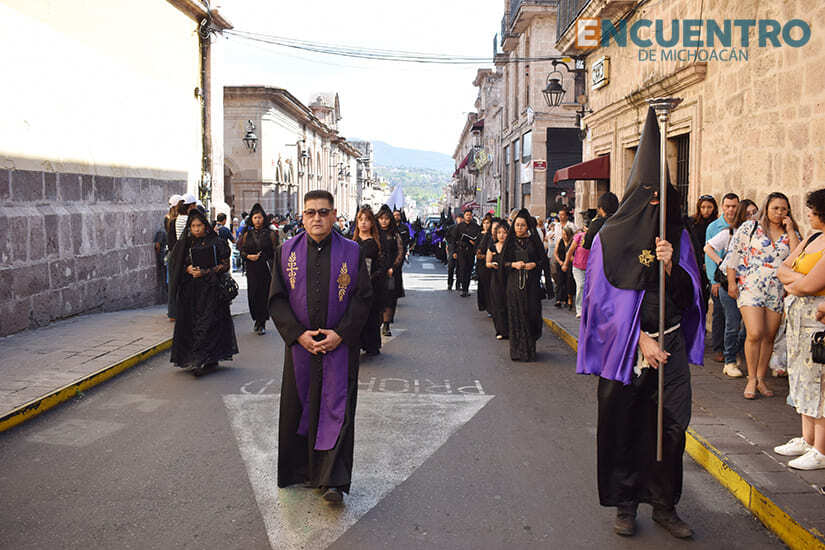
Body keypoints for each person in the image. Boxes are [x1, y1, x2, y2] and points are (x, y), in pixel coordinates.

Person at [577, 108, 704, 539]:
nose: (654, 204)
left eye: (660, 196)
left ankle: (665, 505)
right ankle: (626, 504)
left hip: (671, 347)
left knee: (671, 428)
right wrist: (639, 341)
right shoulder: (608, 240)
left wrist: (672, 269)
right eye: (647, 195)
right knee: (625, 427)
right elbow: (600, 307)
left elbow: (691, 298)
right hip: (628, 351)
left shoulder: (679, 236)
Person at [268, 190, 372, 504]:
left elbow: (363, 298)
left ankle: (333, 480)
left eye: (323, 212)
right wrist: (298, 335)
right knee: (299, 408)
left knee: (336, 410)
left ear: (334, 215)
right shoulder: (286, 251)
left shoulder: (351, 252)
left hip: (339, 348)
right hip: (301, 349)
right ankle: (301, 471)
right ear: (302, 216)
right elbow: (277, 299)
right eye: (311, 212)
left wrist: (340, 334)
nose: (317, 218)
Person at [725, 192, 800, 399]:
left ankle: (760, 378)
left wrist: (791, 230)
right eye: (775, 208)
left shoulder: (790, 233)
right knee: (755, 332)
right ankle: (751, 379)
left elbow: (797, 258)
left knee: (769, 336)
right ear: (766, 208)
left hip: (777, 288)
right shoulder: (750, 227)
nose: (779, 212)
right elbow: (734, 255)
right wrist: (731, 282)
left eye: (783, 209)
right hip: (751, 285)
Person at [775, 188, 825, 470]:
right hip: (797, 319)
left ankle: (821, 448)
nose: (808, 215)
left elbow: (809, 285)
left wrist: (796, 283)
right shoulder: (813, 237)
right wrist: (799, 282)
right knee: (801, 377)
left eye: (813, 211)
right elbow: (782, 268)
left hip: (816, 321)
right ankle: (807, 438)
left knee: (819, 381)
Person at [168, 208, 238, 376]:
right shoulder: (186, 244)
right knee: (192, 325)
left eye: (199, 225)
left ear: (205, 226)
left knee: (208, 324)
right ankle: (194, 357)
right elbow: (177, 264)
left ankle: (201, 359)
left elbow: (225, 265)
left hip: (211, 291)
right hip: (190, 293)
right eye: (193, 226)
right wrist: (187, 269)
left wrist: (206, 272)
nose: (196, 229)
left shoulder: (217, 242)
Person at [704, 199, 758, 378]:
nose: (752, 217)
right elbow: (708, 248)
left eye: (755, 213)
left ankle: (736, 352)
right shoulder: (730, 232)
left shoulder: (760, 234)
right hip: (730, 284)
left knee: (749, 327)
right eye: (748, 213)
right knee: (732, 324)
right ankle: (730, 361)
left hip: (750, 286)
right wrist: (720, 263)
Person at [502, 209, 544, 361]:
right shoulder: (510, 242)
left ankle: (530, 349)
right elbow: (502, 263)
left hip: (531, 284)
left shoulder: (534, 242)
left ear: (528, 226)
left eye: (522, 225)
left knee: (531, 314)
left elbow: (542, 261)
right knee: (516, 315)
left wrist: (534, 264)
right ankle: (517, 351)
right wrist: (513, 264)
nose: (519, 228)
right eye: (517, 225)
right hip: (514, 285)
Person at [706, 193, 740, 363]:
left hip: (736, 278)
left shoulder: (741, 226)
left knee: (733, 318)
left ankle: (733, 349)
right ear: (722, 207)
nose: (731, 209)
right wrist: (714, 281)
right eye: (727, 206)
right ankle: (718, 348)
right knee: (719, 314)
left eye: (734, 206)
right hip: (720, 279)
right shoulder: (714, 227)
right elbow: (709, 253)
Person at [237, 203, 280, 335]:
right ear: (251, 219)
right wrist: (248, 256)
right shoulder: (246, 235)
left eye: (260, 217)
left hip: (265, 268)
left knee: (264, 295)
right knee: (253, 295)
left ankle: (262, 322)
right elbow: (241, 251)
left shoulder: (271, 234)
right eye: (255, 218)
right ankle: (256, 318)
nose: (257, 220)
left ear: (264, 219)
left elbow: (277, 252)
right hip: (251, 269)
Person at [353, 206, 385, 356]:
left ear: (372, 222)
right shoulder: (351, 241)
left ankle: (371, 345)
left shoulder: (376, 242)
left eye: (367, 220)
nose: (363, 223)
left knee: (370, 316)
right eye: (361, 219)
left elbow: (381, 265)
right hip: (353, 285)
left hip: (372, 284)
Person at [686, 195, 719, 309]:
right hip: (696, 264)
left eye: (709, 207)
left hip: (713, 263)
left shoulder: (717, 224)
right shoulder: (692, 223)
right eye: (703, 207)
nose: (706, 210)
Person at [376, 205, 404, 336]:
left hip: (392, 271)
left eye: (386, 219)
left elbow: (400, 252)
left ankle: (386, 325)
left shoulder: (395, 234)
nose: (384, 221)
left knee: (390, 299)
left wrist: (394, 267)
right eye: (381, 218)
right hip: (377, 271)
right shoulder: (374, 233)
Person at [486, 219, 510, 340]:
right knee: (497, 304)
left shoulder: (510, 248)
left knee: (508, 304)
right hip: (496, 279)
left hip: (508, 279)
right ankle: (500, 330)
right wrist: (491, 264)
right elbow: (487, 263)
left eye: (504, 233)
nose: (502, 235)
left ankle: (508, 330)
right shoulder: (492, 247)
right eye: (499, 232)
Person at [563, 225, 589, 318]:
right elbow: (570, 251)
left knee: (588, 288)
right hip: (578, 267)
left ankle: (588, 309)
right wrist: (565, 264)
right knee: (581, 285)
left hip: (590, 268)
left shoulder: (596, 237)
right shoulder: (579, 236)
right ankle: (579, 309)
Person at [455, 209, 481, 297]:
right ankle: (463, 288)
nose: (468, 216)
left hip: (471, 251)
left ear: (472, 216)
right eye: (467, 215)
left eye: (470, 215)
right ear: (464, 216)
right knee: (462, 269)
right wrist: (454, 251)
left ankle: (466, 289)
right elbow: (455, 239)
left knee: (469, 270)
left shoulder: (476, 227)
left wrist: (474, 243)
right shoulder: (459, 226)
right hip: (461, 250)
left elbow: (478, 239)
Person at [475, 214, 494, 312]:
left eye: (488, 223)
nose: (486, 225)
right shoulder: (480, 235)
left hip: (489, 263)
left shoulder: (492, 236)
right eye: (484, 223)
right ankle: (482, 304)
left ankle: (489, 306)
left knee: (488, 285)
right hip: (480, 264)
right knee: (481, 284)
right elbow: (476, 248)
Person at [555, 226, 576, 310]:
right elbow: (555, 253)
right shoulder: (559, 241)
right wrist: (560, 262)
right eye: (563, 234)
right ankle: (558, 299)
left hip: (570, 264)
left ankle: (567, 299)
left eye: (566, 234)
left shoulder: (573, 242)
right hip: (561, 263)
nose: (564, 236)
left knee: (569, 281)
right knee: (560, 281)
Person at [445, 216, 460, 290]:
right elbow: (447, 237)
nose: (460, 220)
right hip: (452, 249)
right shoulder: (451, 228)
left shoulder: (464, 228)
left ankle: (458, 284)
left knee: (459, 269)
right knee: (451, 267)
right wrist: (449, 245)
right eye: (459, 218)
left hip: (460, 250)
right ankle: (450, 283)